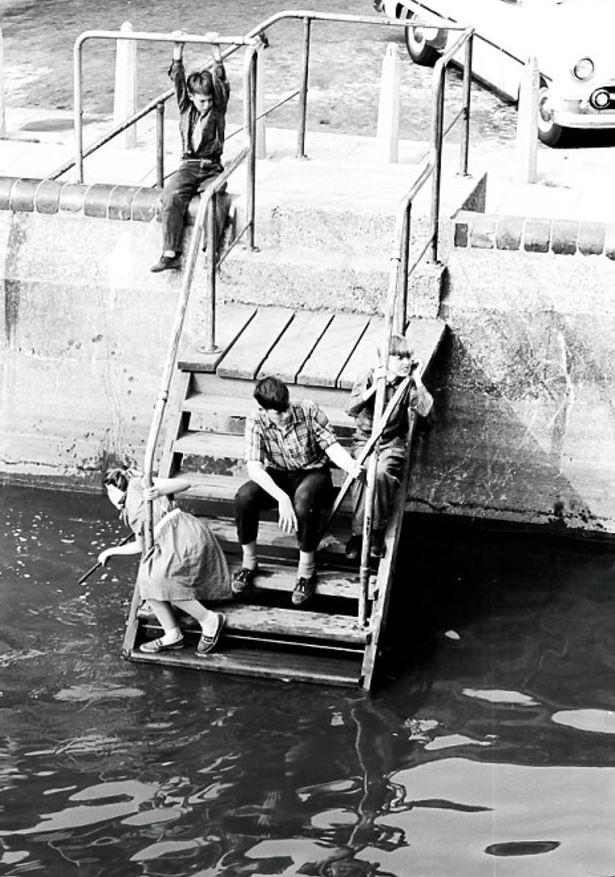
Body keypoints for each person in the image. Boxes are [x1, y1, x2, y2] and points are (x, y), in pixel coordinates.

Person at [233, 377, 361, 607]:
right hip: (279, 475)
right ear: (263, 409)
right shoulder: (256, 421)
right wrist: (281, 497)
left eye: (287, 408)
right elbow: (254, 466)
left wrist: (351, 467)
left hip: (313, 474)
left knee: (303, 502)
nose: (286, 415)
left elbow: (331, 446)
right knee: (244, 497)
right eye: (278, 413)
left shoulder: (308, 411)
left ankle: (306, 572)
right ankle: (249, 563)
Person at [98, 468, 232, 655]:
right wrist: (111, 551)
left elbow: (184, 483)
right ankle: (172, 634)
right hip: (167, 543)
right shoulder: (128, 513)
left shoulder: (139, 484)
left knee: (162, 577)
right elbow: (140, 545)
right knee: (147, 577)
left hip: (184, 535)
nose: (111, 496)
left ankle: (209, 620)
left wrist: (158, 491)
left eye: (111, 490)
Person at [345, 334, 433, 562]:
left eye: (409, 358)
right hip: (364, 441)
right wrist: (375, 388)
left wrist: (418, 380)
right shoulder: (368, 377)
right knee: (363, 472)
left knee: (382, 472)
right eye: (399, 357)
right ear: (384, 360)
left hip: (391, 443)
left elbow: (426, 411)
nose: (406, 362)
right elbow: (351, 409)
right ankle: (357, 534)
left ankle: (374, 532)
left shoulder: (408, 384)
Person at [150, 32, 230, 273]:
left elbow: (220, 82)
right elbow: (178, 81)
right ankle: (170, 252)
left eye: (209, 100)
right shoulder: (186, 108)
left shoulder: (217, 110)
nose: (207, 104)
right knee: (172, 196)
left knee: (213, 199)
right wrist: (178, 49)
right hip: (189, 164)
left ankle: (211, 251)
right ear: (193, 98)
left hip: (212, 166)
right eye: (202, 100)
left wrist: (216, 50)